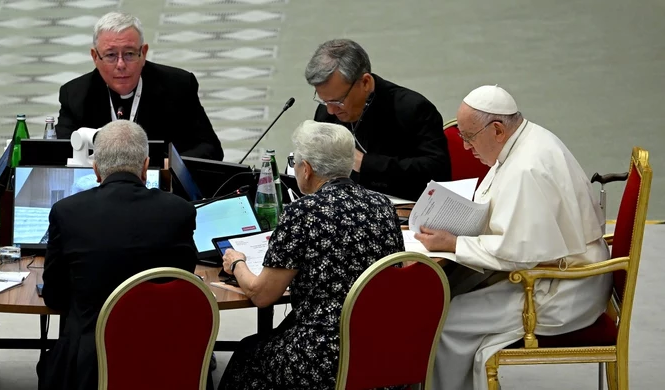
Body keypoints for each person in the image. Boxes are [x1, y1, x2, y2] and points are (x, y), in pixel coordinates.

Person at [413, 85, 612, 390]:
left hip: (561, 289)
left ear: (497, 130)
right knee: (450, 299)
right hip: (552, 271)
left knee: (446, 323)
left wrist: (453, 244)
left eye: (469, 137)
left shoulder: (527, 169)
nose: (465, 147)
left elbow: (519, 252)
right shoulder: (529, 138)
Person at [217, 120, 405, 390]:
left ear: (306, 169)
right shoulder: (383, 205)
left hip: (323, 357)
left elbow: (262, 295)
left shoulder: (302, 212)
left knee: (249, 353)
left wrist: (237, 263)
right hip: (380, 347)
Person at [38, 120, 200, 390]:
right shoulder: (180, 211)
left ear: (96, 169)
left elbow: (54, 295)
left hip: (91, 363)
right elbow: (184, 281)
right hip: (166, 355)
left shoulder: (67, 212)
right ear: (146, 167)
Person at [55, 11, 223, 160]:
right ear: (95, 57)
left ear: (143, 53)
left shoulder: (178, 86)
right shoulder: (75, 94)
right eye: (111, 55)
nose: (120, 64)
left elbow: (210, 149)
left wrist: (165, 167)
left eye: (129, 54)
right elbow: (60, 153)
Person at [305, 39, 451, 201]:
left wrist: (365, 163)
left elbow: (438, 171)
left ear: (365, 82)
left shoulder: (413, 109)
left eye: (338, 101)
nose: (331, 110)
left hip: (407, 212)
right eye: (325, 101)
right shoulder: (327, 114)